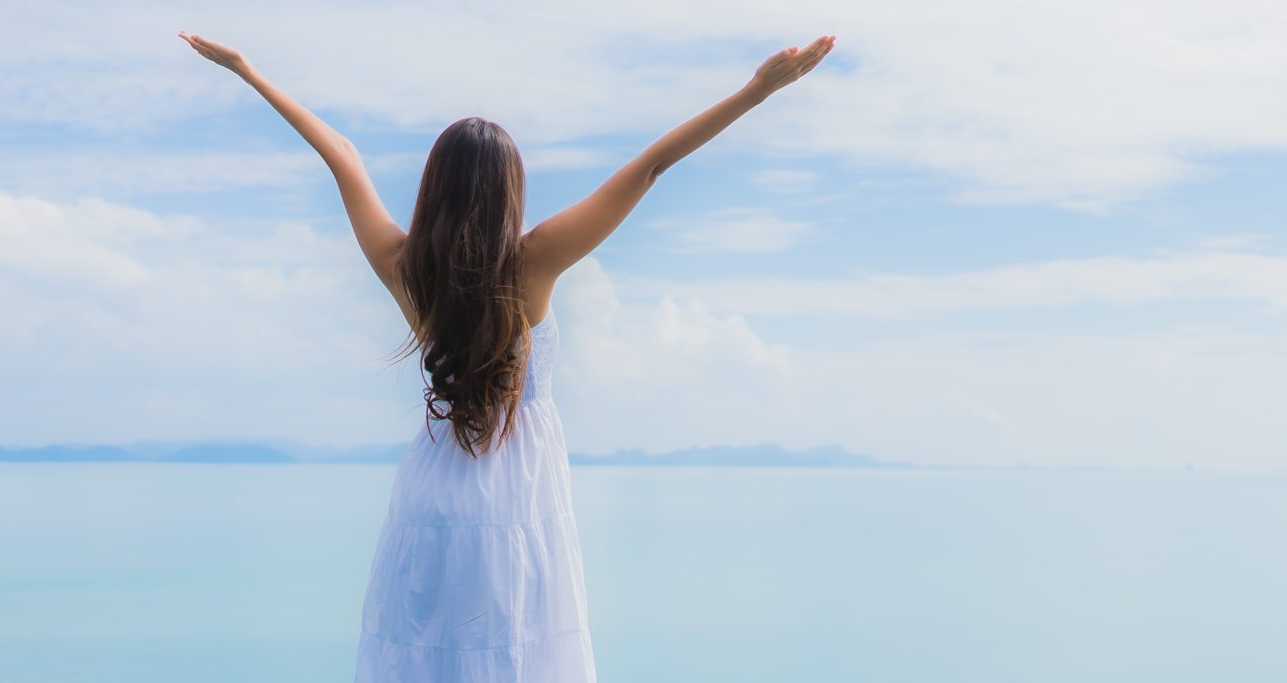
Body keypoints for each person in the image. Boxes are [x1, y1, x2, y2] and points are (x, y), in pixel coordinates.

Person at [181, 30, 835, 683]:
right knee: (520, 652)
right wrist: (757, 91)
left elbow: (343, 155)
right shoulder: (535, 261)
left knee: (425, 649)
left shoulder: (404, 266)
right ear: (509, 192)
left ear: (434, 188)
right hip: (519, 499)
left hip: (431, 493)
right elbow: (651, 166)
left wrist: (249, 72)